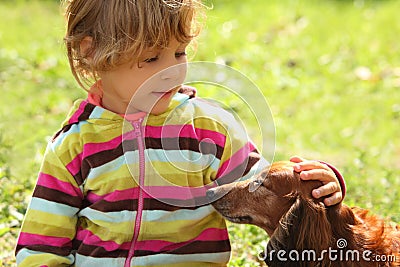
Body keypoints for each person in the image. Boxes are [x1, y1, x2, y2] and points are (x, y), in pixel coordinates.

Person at [15, 0, 346, 266]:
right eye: (151, 58)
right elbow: (42, 243)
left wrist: (319, 182)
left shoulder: (209, 128)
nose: (170, 71)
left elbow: (268, 187)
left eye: (179, 53)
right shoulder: (75, 145)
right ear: (92, 52)